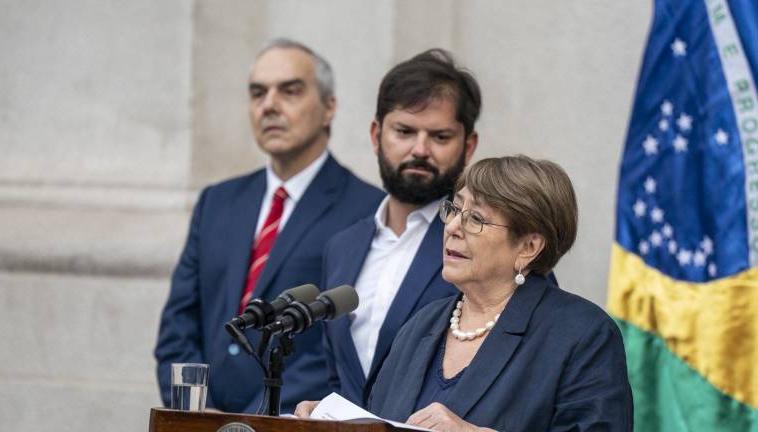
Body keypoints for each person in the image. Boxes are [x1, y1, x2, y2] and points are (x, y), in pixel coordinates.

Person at [154, 38, 384, 413]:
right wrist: (200, 414)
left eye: (290, 91)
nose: (270, 105)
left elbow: (343, 344)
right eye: (258, 93)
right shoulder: (218, 201)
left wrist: (252, 423)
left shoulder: (366, 209)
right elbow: (178, 328)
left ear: (329, 108)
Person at [367, 156, 634, 431]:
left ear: (528, 246)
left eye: (476, 219)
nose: (453, 228)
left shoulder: (582, 335)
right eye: (455, 210)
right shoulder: (420, 325)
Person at [317, 49, 480, 408]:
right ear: (377, 134)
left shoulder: (486, 244)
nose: (419, 149)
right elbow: (338, 377)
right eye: (405, 131)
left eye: (439, 137)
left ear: (468, 145)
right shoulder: (341, 247)